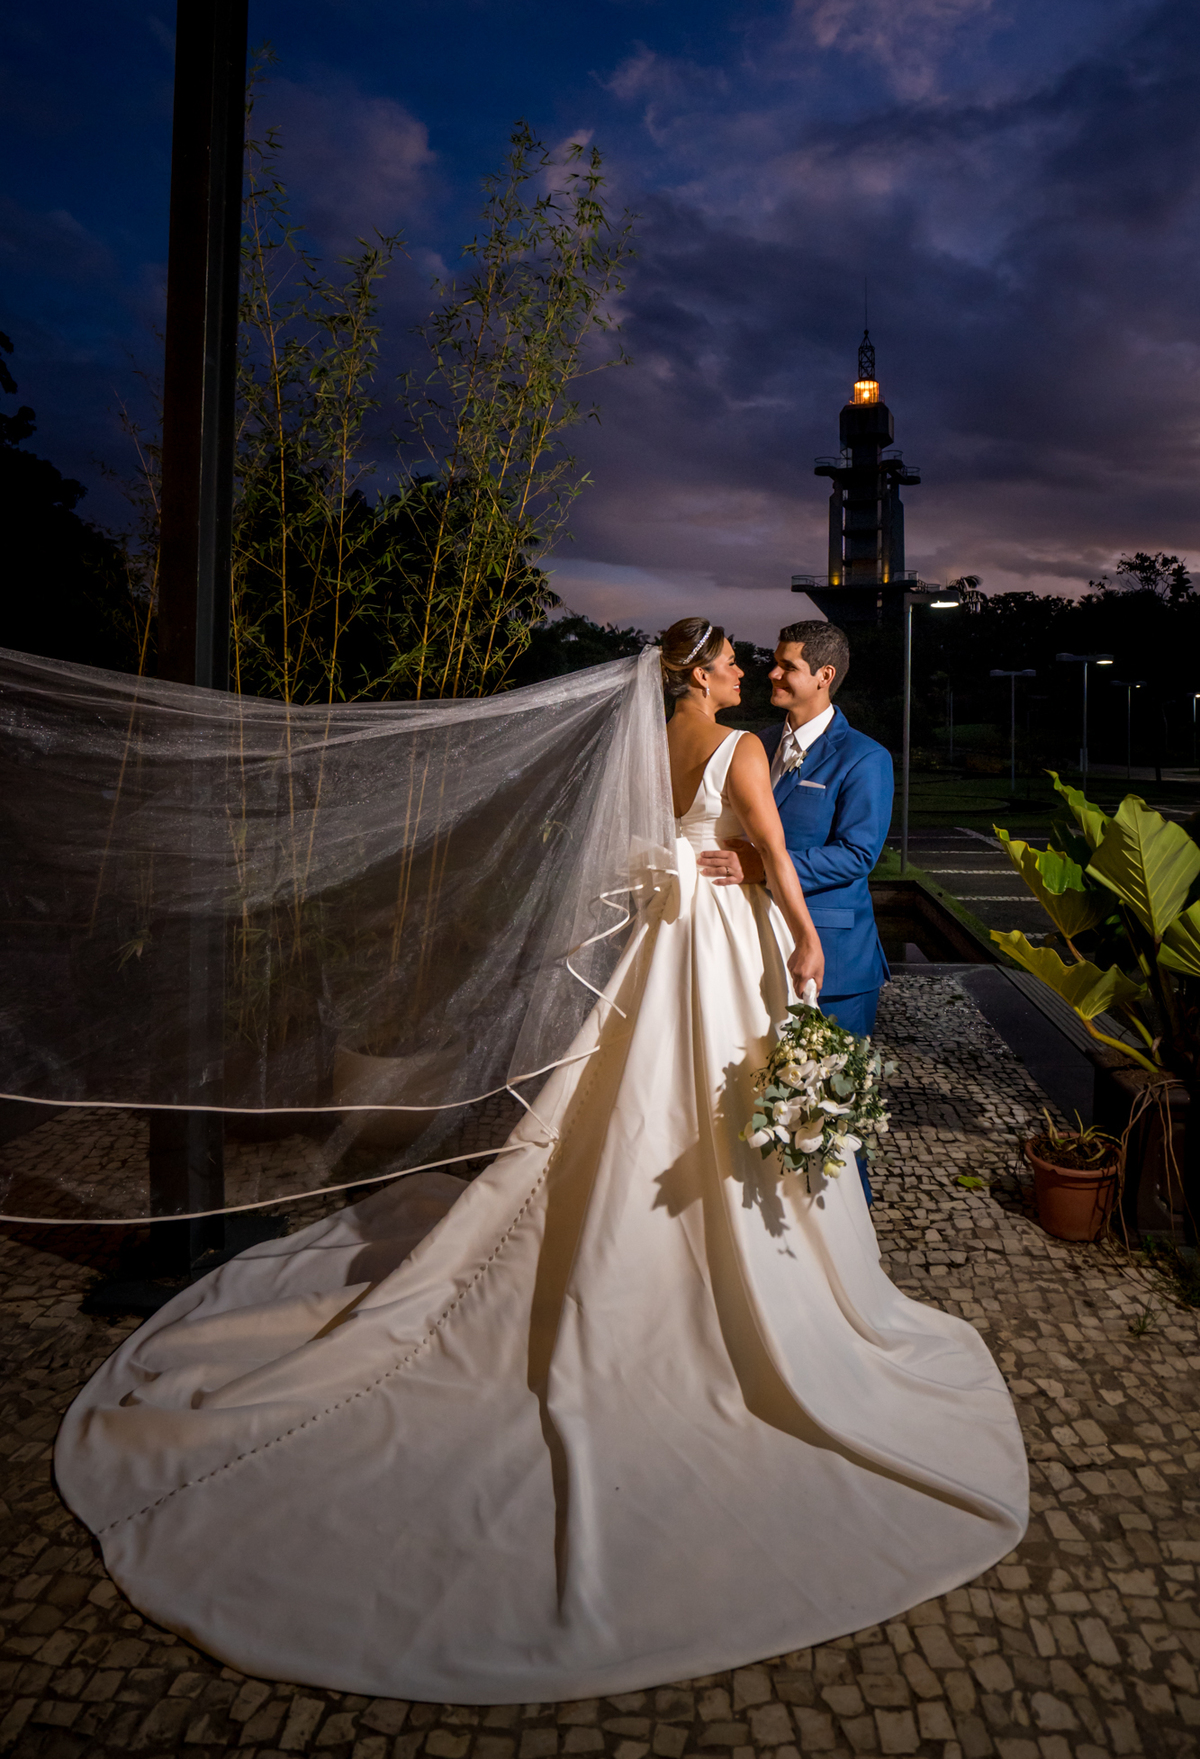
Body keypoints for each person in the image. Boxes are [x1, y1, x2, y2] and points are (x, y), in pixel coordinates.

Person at [55, 617, 1027, 1707]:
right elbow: (765, 847)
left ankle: (648, 1236)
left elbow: (706, 845)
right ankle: (742, 1274)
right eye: (737, 661)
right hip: (723, 942)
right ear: (703, 671)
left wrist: (736, 872)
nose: (755, 670)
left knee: (642, 1098)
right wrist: (797, 932)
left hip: (668, 949)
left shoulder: (656, 740)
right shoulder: (744, 745)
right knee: (720, 1102)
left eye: (775, 664)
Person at [698, 621, 891, 1199]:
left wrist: (761, 864)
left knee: (832, 1107)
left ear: (824, 676)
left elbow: (858, 855)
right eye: (776, 662)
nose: (773, 673)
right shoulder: (752, 744)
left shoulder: (865, 757)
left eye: (788, 666)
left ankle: (849, 1231)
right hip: (752, 946)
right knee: (764, 1095)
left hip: (832, 957)